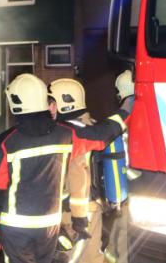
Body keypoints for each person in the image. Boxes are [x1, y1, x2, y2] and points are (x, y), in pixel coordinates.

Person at [0, 74, 125, 263]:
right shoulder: (67, 133)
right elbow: (104, 133)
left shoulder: (6, 141)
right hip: (49, 226)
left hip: (16, 227)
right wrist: (128, 107)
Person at [49, 78, 101, 263]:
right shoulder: (92, 127)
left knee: (67, 258)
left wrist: (78, 219)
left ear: (65, 104)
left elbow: (78, 175)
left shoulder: (71, 134)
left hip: (75, 210)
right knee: (92, 257)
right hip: (94, 206)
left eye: (52, 103)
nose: (49, 109)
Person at [101, 70, 136, 263]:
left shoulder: (118, 119)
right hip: (145, 186)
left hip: (123, 189)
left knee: (119, 239)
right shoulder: (149, 112)